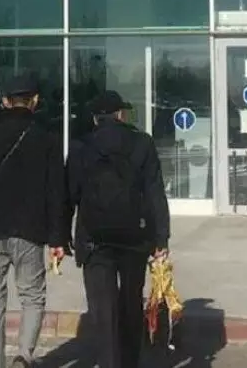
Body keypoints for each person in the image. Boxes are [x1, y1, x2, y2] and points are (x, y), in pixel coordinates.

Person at [0, 75, 68, 368]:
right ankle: (24, 355)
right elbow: (56, 192)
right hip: (30, 231)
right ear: (35, 101)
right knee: (32, 296)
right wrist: (58, 239)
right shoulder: (47, 138)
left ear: (5, 102)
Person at [66, 91, 171, 368]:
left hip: (94, 240)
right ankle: (130, 360)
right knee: (131, 302)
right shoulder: (142, 143)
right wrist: (161, 238)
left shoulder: (80, 147)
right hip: (135, 238)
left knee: (103, 309)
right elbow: (155, 193)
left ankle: (109, 362)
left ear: (95, 118)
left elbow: (69, 194)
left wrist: (61, 235)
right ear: (121, 115)